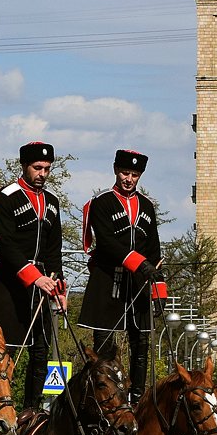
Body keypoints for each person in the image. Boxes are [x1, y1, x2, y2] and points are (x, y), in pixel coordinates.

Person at [0, 141, 67, 409]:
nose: (42, 174)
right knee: (4, 350)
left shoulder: (52, 202)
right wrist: (34, 276)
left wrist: (59, 290)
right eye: (37, 168)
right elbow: (6, 243)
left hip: (42, 287)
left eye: (47, 169)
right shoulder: (5, 196)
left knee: (40, 350)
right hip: (8, 283)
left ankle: (32, 409)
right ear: (25, 166)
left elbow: (54, 249)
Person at [78, 149, 168, 403]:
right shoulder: (102, 202)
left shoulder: (147, 206)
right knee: (104, 346)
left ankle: (137, 397)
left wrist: (159, 290)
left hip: (139, 283)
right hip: (108, 280)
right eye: (125, 173)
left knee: (141, 344)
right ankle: (102, 397)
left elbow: (154, 250)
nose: (129, 179)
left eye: (134, 175)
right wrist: (140, 263)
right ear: (116, 170)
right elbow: (106, 243)